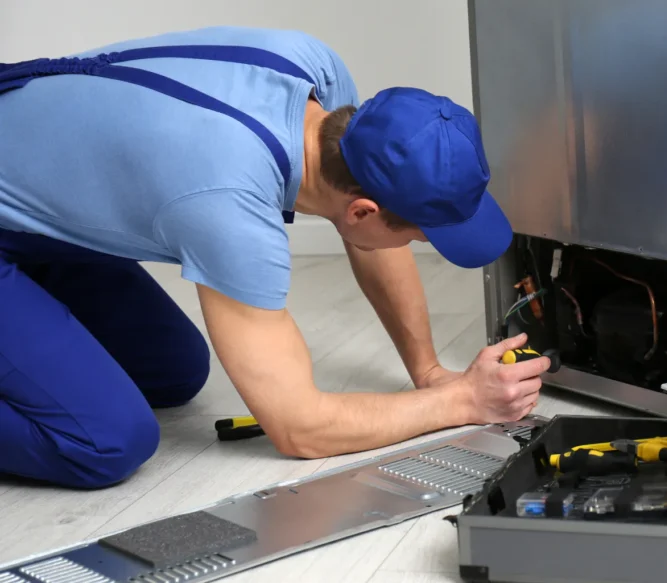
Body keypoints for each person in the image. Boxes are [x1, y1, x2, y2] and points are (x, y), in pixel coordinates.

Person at [0, 26, 550, 489]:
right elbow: (300, 428)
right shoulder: (229, 201)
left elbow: (371, 239)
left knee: (173, 372)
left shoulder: (319, 80)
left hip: (38, 212)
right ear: (362, 211)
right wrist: (462, 404)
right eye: (417, 236)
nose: (413, 246)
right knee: (107, 440)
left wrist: (430, 373)